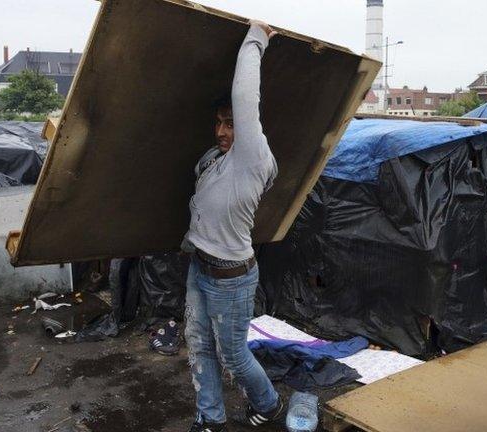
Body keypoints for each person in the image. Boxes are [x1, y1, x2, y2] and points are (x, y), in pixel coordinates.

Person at [182, 20, 281, 432]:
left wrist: (256, 38)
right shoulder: (214, 159)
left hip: (231, 279)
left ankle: (269, 403)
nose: (222, 131)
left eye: (230, 123)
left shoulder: (252, 158)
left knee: (234, 356)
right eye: (218, 123)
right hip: (200, 267)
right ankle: (211, 418)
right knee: (198, 345)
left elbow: (244, 94)